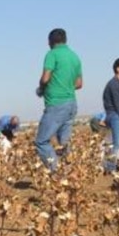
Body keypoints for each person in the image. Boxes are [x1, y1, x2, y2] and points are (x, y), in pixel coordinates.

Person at [34, 28, 84, 170]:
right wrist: (65, 86)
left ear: (50, 42)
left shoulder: (52, 54)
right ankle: (70, 173)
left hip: (56, 104)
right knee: (64, 143)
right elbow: (79, 84)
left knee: (42, 141)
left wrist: (41, 88)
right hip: (72, 104)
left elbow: (45, 78)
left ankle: (57, 173)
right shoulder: (75, 56)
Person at [101, 58, 119, 172]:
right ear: (118, 69)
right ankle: (110, 168)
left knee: (114, 143)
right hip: (115, 115)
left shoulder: (115, 83)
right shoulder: (115, 85)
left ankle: (109, 165)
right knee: (117, 144)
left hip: (112, 114)